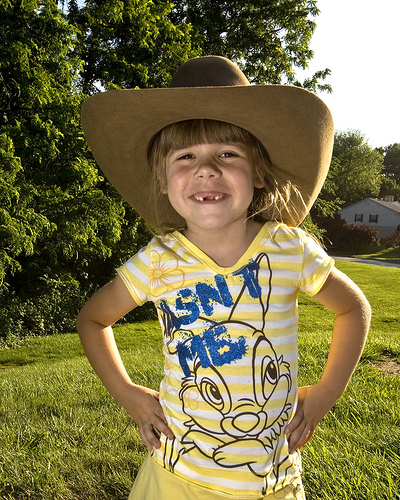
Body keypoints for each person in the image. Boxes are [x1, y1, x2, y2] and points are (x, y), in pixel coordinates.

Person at [76, 56, 371, 500]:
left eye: (228, 154)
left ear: (258, 171)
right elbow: (93, 319)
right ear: (162, 178)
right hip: (176, 477)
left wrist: (327, 391)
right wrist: (127, 394)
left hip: (273, 481)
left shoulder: (288, 248)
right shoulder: (158, 260)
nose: (206, 169)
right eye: (186, 156)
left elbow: (354, 308)